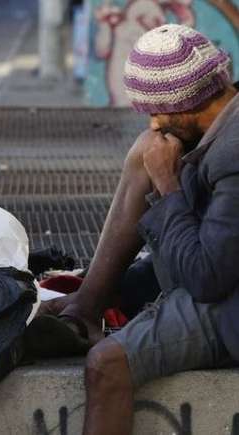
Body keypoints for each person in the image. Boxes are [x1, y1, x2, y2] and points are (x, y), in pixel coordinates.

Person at [29, 24, 238, 434]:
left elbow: (207, 279)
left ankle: (87, 312)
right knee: (147, 152)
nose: (154, 124)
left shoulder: (235, 159)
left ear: (182, 109)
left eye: (155, 113)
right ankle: (84, 306)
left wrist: (168, 186)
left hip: (228, 302)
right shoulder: (224, 122)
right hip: (219, 268)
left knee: (107, 364)